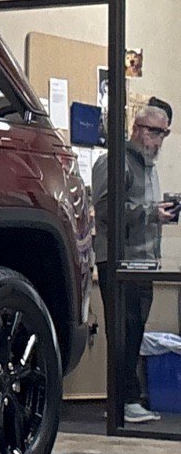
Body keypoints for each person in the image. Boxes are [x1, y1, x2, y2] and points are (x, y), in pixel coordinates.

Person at [92, 99, 179, 424]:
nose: (157, 140)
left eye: (164, 134)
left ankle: (129, 398)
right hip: (119, 263)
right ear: (136, 128)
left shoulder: (148, 168)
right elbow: (104, 211)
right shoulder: (114, 162)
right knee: (123, 333)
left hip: (144, 263)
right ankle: (121, 401)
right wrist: (149, 212)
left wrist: (160, 213)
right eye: (154, 132)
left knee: (134, 333)